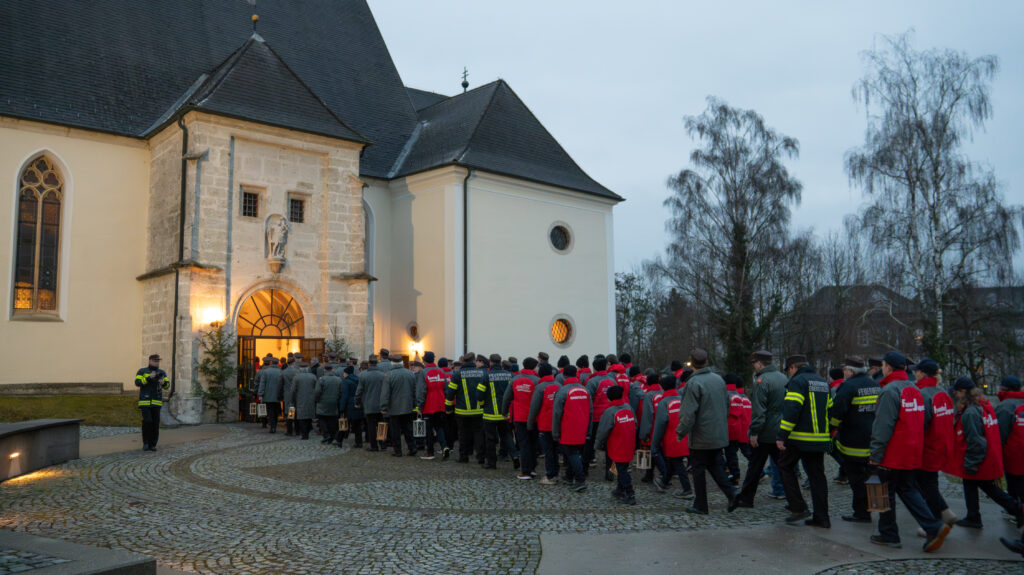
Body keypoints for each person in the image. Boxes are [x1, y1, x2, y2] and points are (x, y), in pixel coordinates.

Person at [868, 351, 948, 552]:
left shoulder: (889, 391)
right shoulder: (914, 389)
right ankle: (933, 525)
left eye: (883, 365)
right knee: (908, 490)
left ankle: (889, 534)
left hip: (892, 453)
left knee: (884, 492)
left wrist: (875, 455)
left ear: (888, 367)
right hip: (911, 451)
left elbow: (883, 426)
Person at [949, 376, 1023, 529]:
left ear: (963, 392)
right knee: (973, 484)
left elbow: (976, 441)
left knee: (989, 488)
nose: (956, 395)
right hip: (986, 457)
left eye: (957, 392)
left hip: (979, 459)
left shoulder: (970, 412)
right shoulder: (983, 405)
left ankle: (1017, 509)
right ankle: (973, 516)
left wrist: (971, 463)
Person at [676, 349, 736, 515]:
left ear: (691, 363)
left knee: (698, 469)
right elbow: (727, 404)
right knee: (714, 465)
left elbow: (688, 413)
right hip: (718, 432)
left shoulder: (693, 383)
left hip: (701, 435)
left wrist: (681, 431)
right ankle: (732, 494)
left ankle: (701, 504)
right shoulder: (719, 380)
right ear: (707, 361)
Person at [775, 354, 830, 527]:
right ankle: (822, 517)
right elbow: (830, 409)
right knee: (817, 476)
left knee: (784, 466)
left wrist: (782, 435)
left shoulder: (797, 382)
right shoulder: (822, 382)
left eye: (789, 370)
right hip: (820, 438)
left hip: (799, 438)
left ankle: (798, 507)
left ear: (793, 368)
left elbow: (792, 409)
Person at [828, 356, 880, 523]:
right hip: (873, 440)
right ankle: (878, 508)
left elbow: (837, 412)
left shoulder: (848, 386)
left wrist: (830, 429)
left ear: (850, 371)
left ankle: (861, 513)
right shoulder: (875, 384)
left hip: (853, 442)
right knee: (872, 476)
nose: (844, 372)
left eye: (845, 369)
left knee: (856, 479)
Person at [733, 350, 788, 509]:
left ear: (759, 363)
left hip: (765, 431)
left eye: (754, 363)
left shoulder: (761, 381)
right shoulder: (783, 378)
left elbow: (759, 411)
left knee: (755, 467)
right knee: (783, 467)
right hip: (780, 428)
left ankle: (746, 498)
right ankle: (794, 500)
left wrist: (754, 432)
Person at [913, 359, 959, 529]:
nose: (914, 374)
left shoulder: (922, 394)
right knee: (929, 482)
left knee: (925, 485)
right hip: (941, 443)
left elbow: (920, 424)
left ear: (922, 373)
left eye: (916, 371)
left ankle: (935, 521)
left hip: (927, 446)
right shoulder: (943, 393)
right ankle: (945, 512)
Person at [651, 374, 693, 498]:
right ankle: (663, 481)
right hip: (686, 435)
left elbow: (660, 425)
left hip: (672, 438)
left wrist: (655, 444)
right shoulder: (682, 399)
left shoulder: (663, 403)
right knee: (672, 461)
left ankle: (687, 489)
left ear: (662, 387)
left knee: (677, 463)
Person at [595, 385, 637, 505]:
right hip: (629, 442)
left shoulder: (609, 411)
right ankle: (620, 489)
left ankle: (630, 493)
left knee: (621, 470)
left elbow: (603, 430)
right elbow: (635, 423)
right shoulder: (628, 407)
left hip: (617, 443)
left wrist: (597, 444)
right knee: (622, 466)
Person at [552, 365, 591, 492]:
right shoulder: (585, 390)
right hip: (583, 427)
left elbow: (557, 413)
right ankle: (569, 476)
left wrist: (555, 432)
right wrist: (589, 429)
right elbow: (590, 411)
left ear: (564, 376)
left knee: (572, 453)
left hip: (568, 428)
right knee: (574, 453)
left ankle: (580, 480)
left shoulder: (562, 391)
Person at [446, 352, 486, 464]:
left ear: (463, 361)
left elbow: (450, 393)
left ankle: (463, 457)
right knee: (478, 434)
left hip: (462, 411)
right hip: (478, 410)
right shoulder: (482, 373)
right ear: (474, 361)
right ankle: (481, 457)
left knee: (463, 434)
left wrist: (448, 407)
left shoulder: (457, 374)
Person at [504, 357, 540, 480]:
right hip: (534, 417)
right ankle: (532, 469)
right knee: (533, 443)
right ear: (533, 367)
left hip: (519, 417)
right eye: (537, 366)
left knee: (524, 444)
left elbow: (507, 398)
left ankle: (525, 471)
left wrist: (504, 412)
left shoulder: (515, 379)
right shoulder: (537, 380)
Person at [476, 354, 514, 469]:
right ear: (500, 362)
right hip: (505, 413)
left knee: (490, 439)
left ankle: (491, 463)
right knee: (507, 436)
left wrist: (482, 405)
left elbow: (479, 395)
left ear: (490, 362)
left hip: (490, 414)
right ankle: (515, 456)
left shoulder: (486, 375)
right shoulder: (509, 375)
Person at [528, 363, 562, 484]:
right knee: (556, 450)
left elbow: (534, 407)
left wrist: (530, 423)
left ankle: (550, 475)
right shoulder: (559, 385)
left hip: (545, 424)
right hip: (558, 423)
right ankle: (556, 473)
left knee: (548, 450)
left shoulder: (540, 387)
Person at [584, 357, 615, 478]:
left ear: (594, 368)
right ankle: (611, 472)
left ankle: (584, 470)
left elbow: (588, 400)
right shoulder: (612, 380)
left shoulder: (592, 382)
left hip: (596, 417)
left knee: (589, 444)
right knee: (610, 445)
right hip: (611, 416)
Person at [416, 353, 450, 460]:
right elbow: (446, 389)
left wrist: (420, 407)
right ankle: (444, 446)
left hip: (429, 404)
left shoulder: (423, 372)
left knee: (429, 429)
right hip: (440, 403)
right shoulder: (441, 371)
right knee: (439, 426)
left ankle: (430, 452)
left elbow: (421, 391)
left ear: (424, 361)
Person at [381, 360, 418, 457]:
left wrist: (383, 406)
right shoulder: (411, 374)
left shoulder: (389, 375)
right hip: (408, 406)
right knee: (408, 428)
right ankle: (412, 447)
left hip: (394, 408)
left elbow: (385, 393)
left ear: (392, 364)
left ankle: (398, 450)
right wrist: (415, 404)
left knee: (395, 430)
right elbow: (415, 390)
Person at [995, 376, 1024, 502]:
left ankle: (1015, 509)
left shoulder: (1005, 406)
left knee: (1014, 484)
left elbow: (999, 433)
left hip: (1013, 453)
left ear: (1004, 389)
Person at [135, 354, 170, 452]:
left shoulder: (162, 372)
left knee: (155, 424)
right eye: (155, 361)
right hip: (145, 402)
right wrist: (148, 378)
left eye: (158, 361)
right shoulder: (142, 371)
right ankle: (146, 443)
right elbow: (137, 383)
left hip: (156, 402)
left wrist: (164, 383)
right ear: (150, 361)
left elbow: (167, 386)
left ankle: (153, 444)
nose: (157, 363)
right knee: (147, 422)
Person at [638, 372, 665, 484]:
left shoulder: (648, 395)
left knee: (653, 452)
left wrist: (644, 433)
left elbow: (647, 416)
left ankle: (665, 475)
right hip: (664, 427)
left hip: (653, 428)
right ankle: (649, 474)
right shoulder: (663, 393)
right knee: (658, 451)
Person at [355, 356, 387, 451]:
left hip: (369, 404)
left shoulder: (363, 375)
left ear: (369, 364)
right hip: (381, 404)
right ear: (377, 363)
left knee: (371, 426)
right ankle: (382, 444)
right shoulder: (383, 375)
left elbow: (359, 391)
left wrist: (357, 401)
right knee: (381, 424)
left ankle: (374, 446)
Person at [724, 373, 751, 486]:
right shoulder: (742, 397)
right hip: (741, 429)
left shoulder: (726, 395)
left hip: (729, 430)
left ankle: (734, 476)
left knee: (730, 455)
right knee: (737, 454)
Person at [337, 366, 365, 448]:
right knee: (357, 425)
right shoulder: (358, 380)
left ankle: (339, 441)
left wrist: (341, 408)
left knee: (344, 423)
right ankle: (359, 442)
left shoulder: (345, 382)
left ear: (346, 373)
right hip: (358, 403)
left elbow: (344, 396)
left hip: (349, 405)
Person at [315, 364, 342, 444]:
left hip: (322, 402)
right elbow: (341, 391)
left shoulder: (321, 380)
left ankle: (326, 434)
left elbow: (317, 392)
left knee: (321, 418)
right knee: (332, 419)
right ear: (332, 370)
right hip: (334, 402)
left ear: (324, 370)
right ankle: (332, 436)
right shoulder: (338, 380)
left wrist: (317, 400)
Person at [256, 354, 283, 434]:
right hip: (277, 395)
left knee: (270, 411)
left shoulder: (266, 372)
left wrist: (260, 394)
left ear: (271, 363)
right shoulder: (280, 372)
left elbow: (262, 383)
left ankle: (272, 427)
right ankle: (275, 425)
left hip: (268, 395)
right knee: (276, 411)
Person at [290, 362, 317, 439]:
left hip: (300, 399)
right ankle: (308, 431)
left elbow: (293, 390)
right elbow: (317, 388)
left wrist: (292, 400)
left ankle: (304, 434)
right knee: (309, 415)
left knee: (301, 416)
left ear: (300, 369)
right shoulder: (313, 377)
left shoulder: (296, 377)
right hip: (311, 399)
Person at [281, 356, 299, 436]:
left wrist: (280, 394)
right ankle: (297, 430)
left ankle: (290, 430)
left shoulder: (283, 372)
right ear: (294, 363)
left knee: (290, 411)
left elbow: (280, 384)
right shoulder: (298, 371)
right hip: (297, 393)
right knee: (296, 411)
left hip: (287, 393)